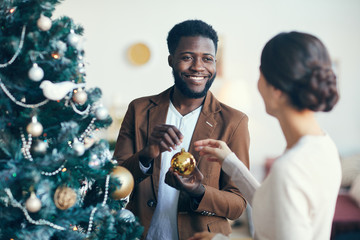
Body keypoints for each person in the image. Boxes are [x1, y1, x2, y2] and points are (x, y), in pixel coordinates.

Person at [190, 31, 341, 240]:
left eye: (260, 74)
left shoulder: (289, 169)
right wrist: (230, 162)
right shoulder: (323, 145)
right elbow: (272, 207)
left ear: (276, 90)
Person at [113, 19, 250, 240]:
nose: (198, 67)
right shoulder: (139, 109)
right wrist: (146, 155)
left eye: (208, 59)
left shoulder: (234, 122)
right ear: (171, 60)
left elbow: (238, 203)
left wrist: (198, 191)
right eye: (187, 57)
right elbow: (114, 181)